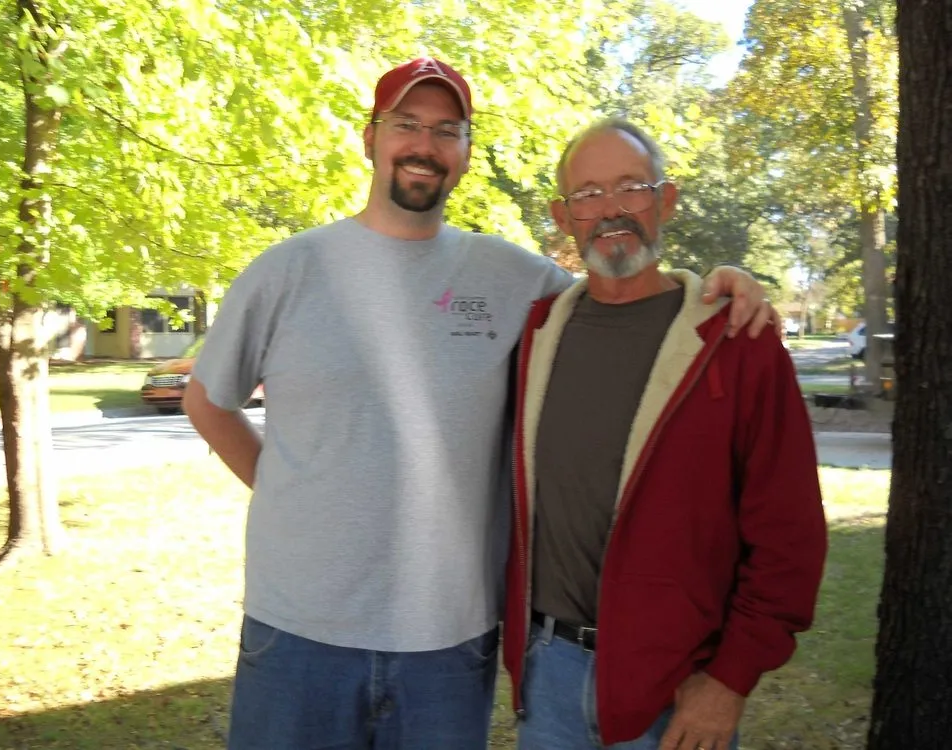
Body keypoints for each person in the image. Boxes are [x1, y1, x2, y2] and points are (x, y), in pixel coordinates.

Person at [182, 58, 776, 750]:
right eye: (406, 125)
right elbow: (208, 401)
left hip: (449, 643)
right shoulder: (288, 269)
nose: (424, 145)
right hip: (297, 632)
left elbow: (624, 280)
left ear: (464, 154)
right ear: (370, 138)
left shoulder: (514, 278)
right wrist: (290, 490)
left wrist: (720, 282)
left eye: (446, 130)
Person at [501, 116, 828, 750]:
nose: (611, 210)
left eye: (631, 187)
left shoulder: (735, 341)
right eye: (588, 194)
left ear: (666, 201)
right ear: (563, 216)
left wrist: (729, 681)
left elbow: (789, 536)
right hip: (550, 679)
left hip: (679, 687)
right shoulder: (534, 335)